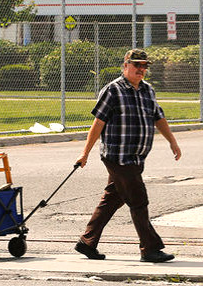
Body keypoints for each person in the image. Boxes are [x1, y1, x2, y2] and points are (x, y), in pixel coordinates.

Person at [74, 49, 182, 263]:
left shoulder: (147, 91)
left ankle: (87, 242)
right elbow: (98, 124)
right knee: (139, 200)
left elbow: (158, 117)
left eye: (144, 66)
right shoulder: (113, 90)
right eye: (137, 65)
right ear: (126, 65)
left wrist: (172, 141)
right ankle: (150, 249)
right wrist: (84, 154)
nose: (141, 69)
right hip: (117, 157)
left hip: (136, 158)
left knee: (112, 199)